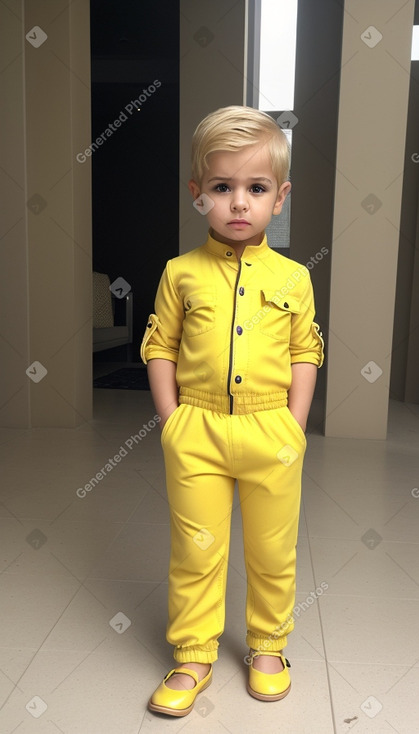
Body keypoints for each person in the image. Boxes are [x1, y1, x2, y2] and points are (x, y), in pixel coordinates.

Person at [141, 105, 324, 717]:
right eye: (222, 188)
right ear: (198, 196)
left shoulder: (295, 277)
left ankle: (269, 647)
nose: (239, 203)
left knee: (273, 550)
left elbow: (305, 350)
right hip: (196, 429)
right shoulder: (180, 273)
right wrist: (171, 421)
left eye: (256, 188)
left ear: (281, 196)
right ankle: (193, 653)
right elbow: (161, 345)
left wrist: (294, 425)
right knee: (195, 548)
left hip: (272, 430)